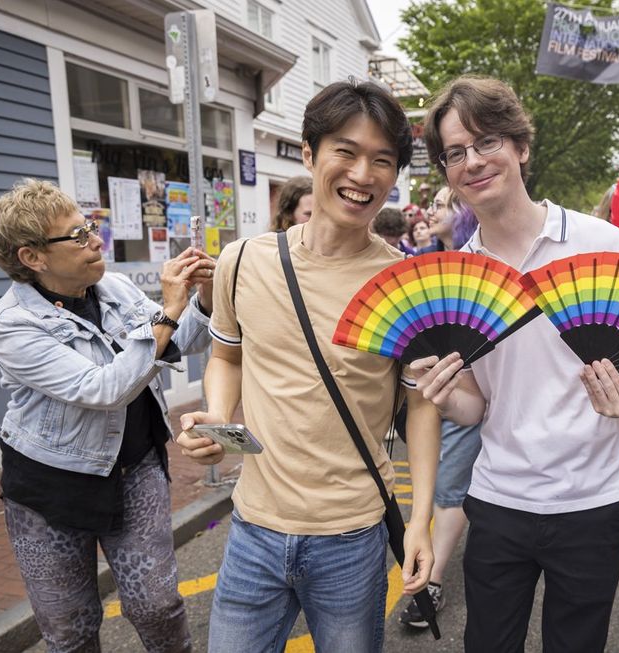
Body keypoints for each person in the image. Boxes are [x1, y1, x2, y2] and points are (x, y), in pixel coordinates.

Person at [175, 79, 441, 653]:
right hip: (251, 529)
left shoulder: (408, 284)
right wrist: (217, 416)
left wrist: (420, 519)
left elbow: (421, 406)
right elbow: (225, 356)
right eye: (346, 151)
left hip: (352, 536)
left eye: (382, 160)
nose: (363, 174)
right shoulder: (244, 260)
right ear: (308, 154)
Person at [415, 75, 619, 652]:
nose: (472, 162)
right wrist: (442, 392)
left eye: (486, 141)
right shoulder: (456, 276)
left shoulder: (603, 243)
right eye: (455, 153)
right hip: (498, 497)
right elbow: (475, 406)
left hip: (591, 498)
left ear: (520, 147)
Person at [0, 179, 215, 652]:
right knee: (70, 628)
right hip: (50, 489)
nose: (95, 241)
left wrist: (204, 295)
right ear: (32, 257)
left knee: (158, 607)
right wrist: (169, 310)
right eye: (77, 235)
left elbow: (183, 339)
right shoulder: (10, 326)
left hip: (135, 470)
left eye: (89, 226)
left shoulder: (113, 287)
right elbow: (105, 389)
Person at [399, 189, 481, 629]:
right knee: (432, 480)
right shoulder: (424, 261)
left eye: (443, 204)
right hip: (425, 391)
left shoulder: (483, 264)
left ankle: (432, 579)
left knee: (450, 487)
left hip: (467, 388)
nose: (431, 211)